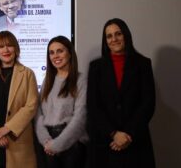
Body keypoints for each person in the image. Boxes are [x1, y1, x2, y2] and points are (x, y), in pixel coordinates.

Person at [87, 18, 156, 168]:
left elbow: (148, 103)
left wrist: (128, 134)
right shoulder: (96, 67)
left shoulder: (143, 64)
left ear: (126, 35)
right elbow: (93, 106)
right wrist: (113, 134)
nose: (114, 39)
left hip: (136, 141)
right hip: (105, 143)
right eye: (109, 36)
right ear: (105, 41)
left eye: (118, 34)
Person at [0, 30, 38, 168]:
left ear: (16, 48)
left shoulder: (27, 74)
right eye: (1, 46)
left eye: (9, 45)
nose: (5, 50)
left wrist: (6, 129)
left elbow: (31, 106)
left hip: (17, 142)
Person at [35, 36, 88, 168]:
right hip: (48, 142)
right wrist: (46, 141)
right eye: (51, 52)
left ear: (70, 53)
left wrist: (57, 145)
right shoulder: (48, 80)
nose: (55, 56)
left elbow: (80, 118)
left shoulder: (80, 80)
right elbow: (38, 114)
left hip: (72, 144)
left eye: (60, 51)